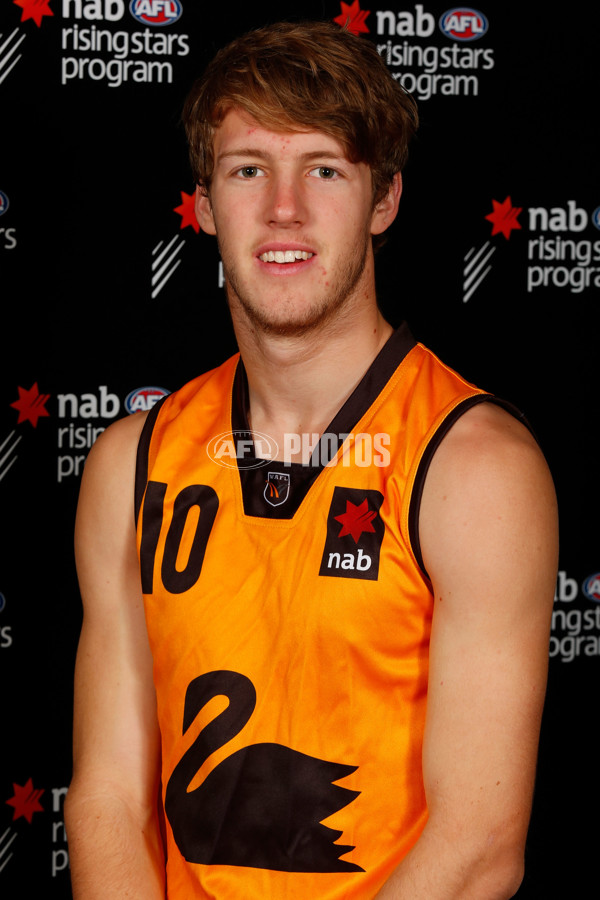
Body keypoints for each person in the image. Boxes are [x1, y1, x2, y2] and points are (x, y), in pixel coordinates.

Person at [64, 20, 558, 900]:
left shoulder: (474, 467)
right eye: (248, 168)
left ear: (384, 199)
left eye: (323, 169)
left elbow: (479, 847)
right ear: (205, 204)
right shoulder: (132, 464)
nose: (283, 209)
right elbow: (106, 798)